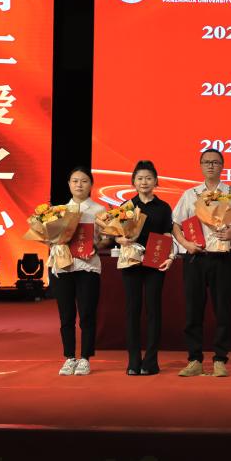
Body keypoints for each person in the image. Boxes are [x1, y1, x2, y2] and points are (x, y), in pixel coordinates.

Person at [171, 148, 231, 378]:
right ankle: (195, 359)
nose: (211, 166)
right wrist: (185, 244)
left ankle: (220, 359)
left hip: (223, 258)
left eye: (215, 162)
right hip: (196, 256)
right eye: (206, 162)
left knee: (223, 310)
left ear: (222, 166)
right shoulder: (190, 194)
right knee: (193, 310)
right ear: (201, 166)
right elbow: (176, 224)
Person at [117, 160, 174, 376]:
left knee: (153, 311)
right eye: (140, 178)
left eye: (148, 178)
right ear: (133, 182)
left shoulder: (163, 207)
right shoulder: (126, 206)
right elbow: (116, 234)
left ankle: (150, 361)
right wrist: (120, 239)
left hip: (155, 262)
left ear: (156, 181)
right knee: (132, 310)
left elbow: (167, 234)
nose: (144, 182)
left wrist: (170, 256)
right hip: (131, 262)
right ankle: (133, 361)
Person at [54, 167, 111, 376]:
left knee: (87, 314)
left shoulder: (99, 210)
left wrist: (96, 245)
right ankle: (69, 357)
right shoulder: (58, 211)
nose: (79, 185)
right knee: (66, 315)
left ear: (91, 185)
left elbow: (107, 238)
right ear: (69, 184)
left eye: (84, 181)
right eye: (75, 181)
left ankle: (85, 358)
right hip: (63, 267)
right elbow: (49, 237)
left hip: (88, 266)